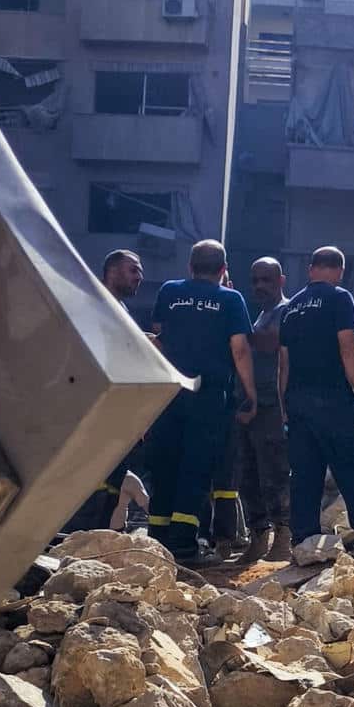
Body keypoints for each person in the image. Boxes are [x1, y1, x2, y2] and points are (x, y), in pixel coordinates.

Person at [144, 240, 258, 566]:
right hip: (208, 398)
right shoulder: (230, 299)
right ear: (223, 270)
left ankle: (157, 544)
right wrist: (250, 394)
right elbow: (239, 349)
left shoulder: (169, 291)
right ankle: (183, 548)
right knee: (195, 470)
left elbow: (160, 337)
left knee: (165, 466)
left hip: (169, 393)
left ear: (190, 267)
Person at [278, 247, 354, 544]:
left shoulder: (291, 308)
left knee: (305, 477)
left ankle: (303, 542)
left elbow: (283, 364)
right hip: (332, 400)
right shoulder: (339, 297)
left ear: (311, 270)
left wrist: (285, 406)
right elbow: (348, 347)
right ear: (340, 271)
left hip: (297, 403)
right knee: (353, 469)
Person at [64, 249, 152, 532]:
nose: (140, 277)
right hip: (95, 410)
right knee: (94, 484)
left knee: (112, 483)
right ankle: (78, 542)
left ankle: (97, 540)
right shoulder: (95, 305)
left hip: (116, 412)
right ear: (112, 271)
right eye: (133, 270)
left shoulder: (120, 308)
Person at [233, 257, 293, 562]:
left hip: (272, 406)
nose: (260, 286)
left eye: (267, 280)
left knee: (275, 473)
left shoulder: (285, 311)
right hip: (250, 406)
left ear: (281, 280)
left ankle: (283, 537)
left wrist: (230, 325)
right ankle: (258, 538)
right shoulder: (260, 315)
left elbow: (272, 344)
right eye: (255, 280)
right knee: (249, 473)